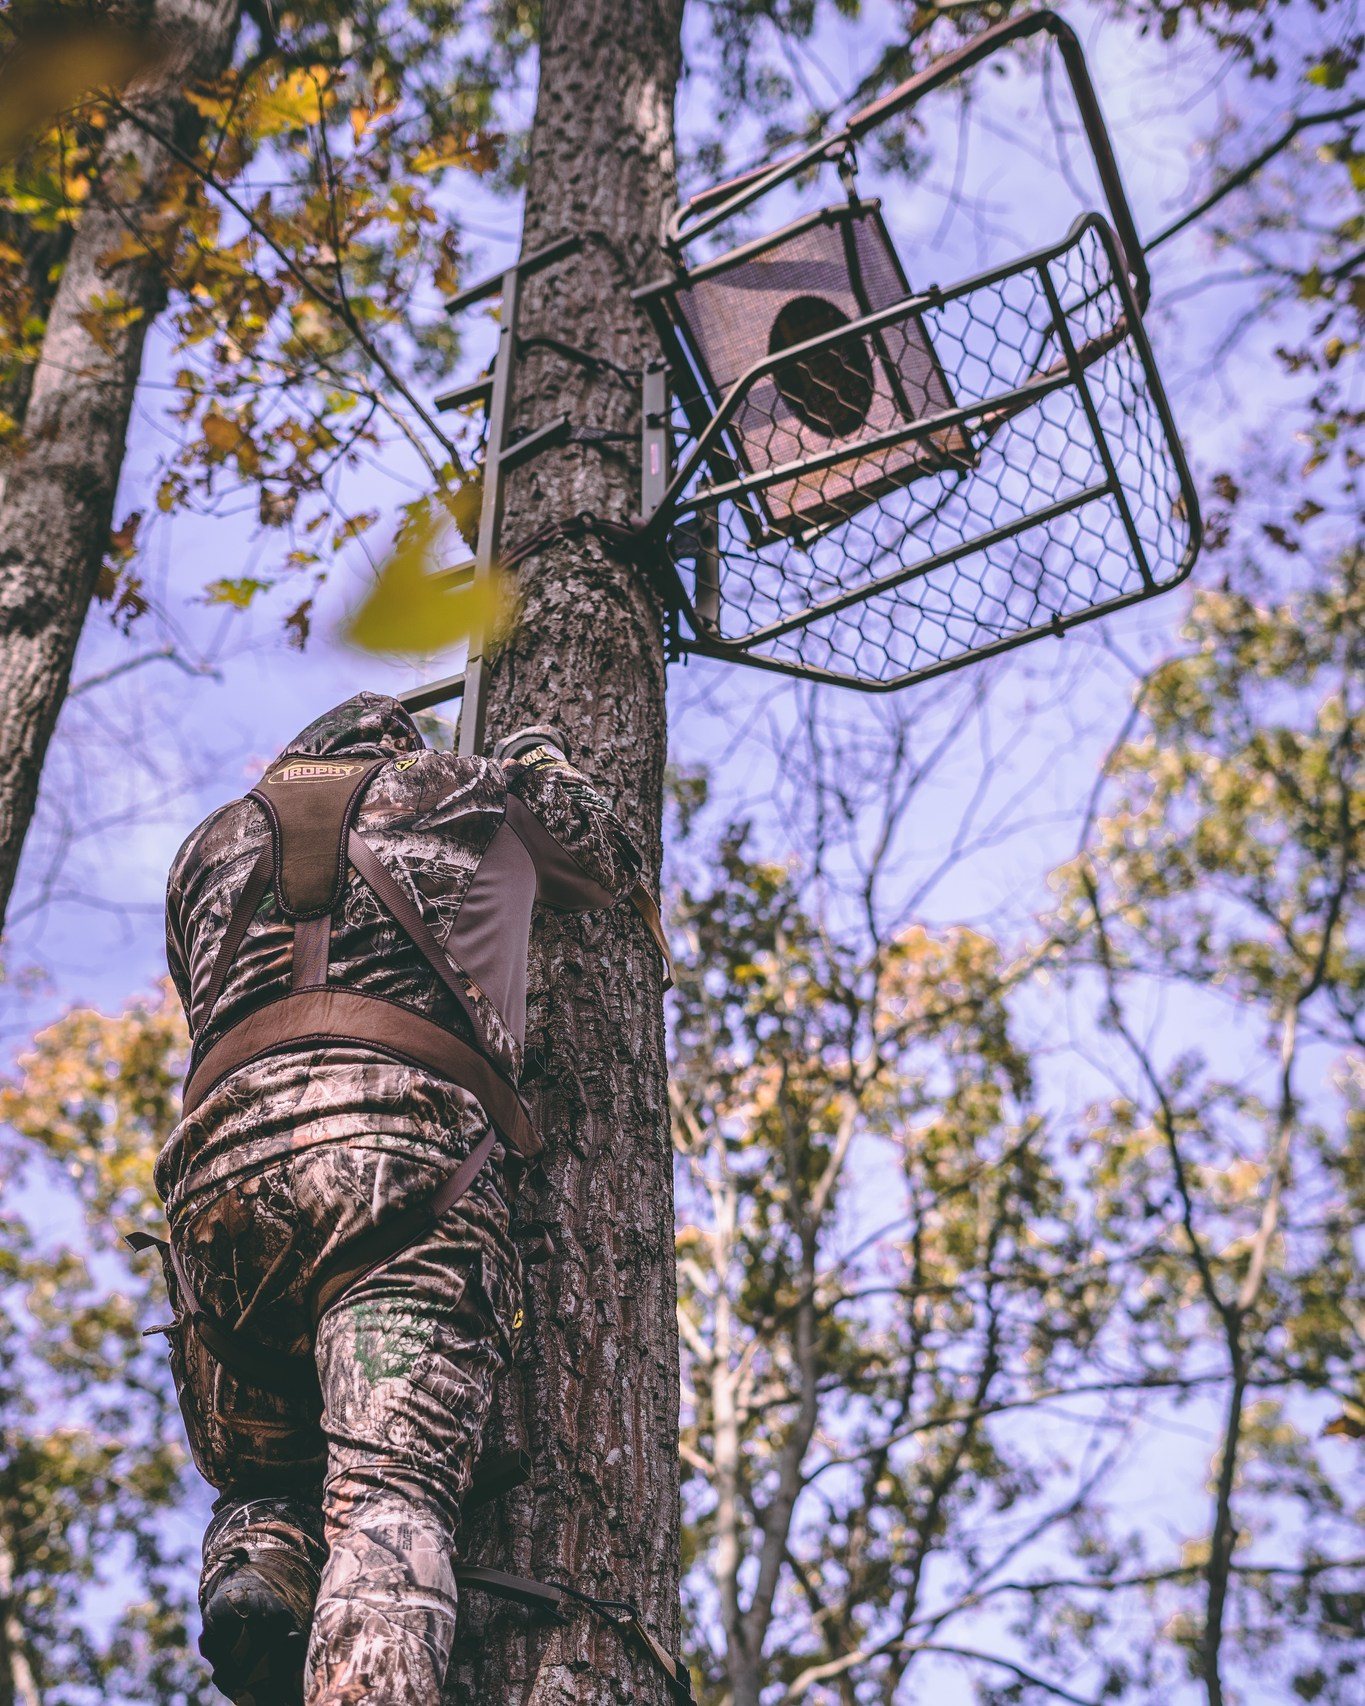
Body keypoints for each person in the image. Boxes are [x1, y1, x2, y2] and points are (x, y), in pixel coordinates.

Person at [149, 691, 648, 1705]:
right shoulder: (461, 790)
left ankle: (263, 1558)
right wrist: (540, 753)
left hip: (218, 1192)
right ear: (394, 751)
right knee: (388, 1498)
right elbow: (607, 860)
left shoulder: (205, 847)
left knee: (267, 1470)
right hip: (395, 1162)